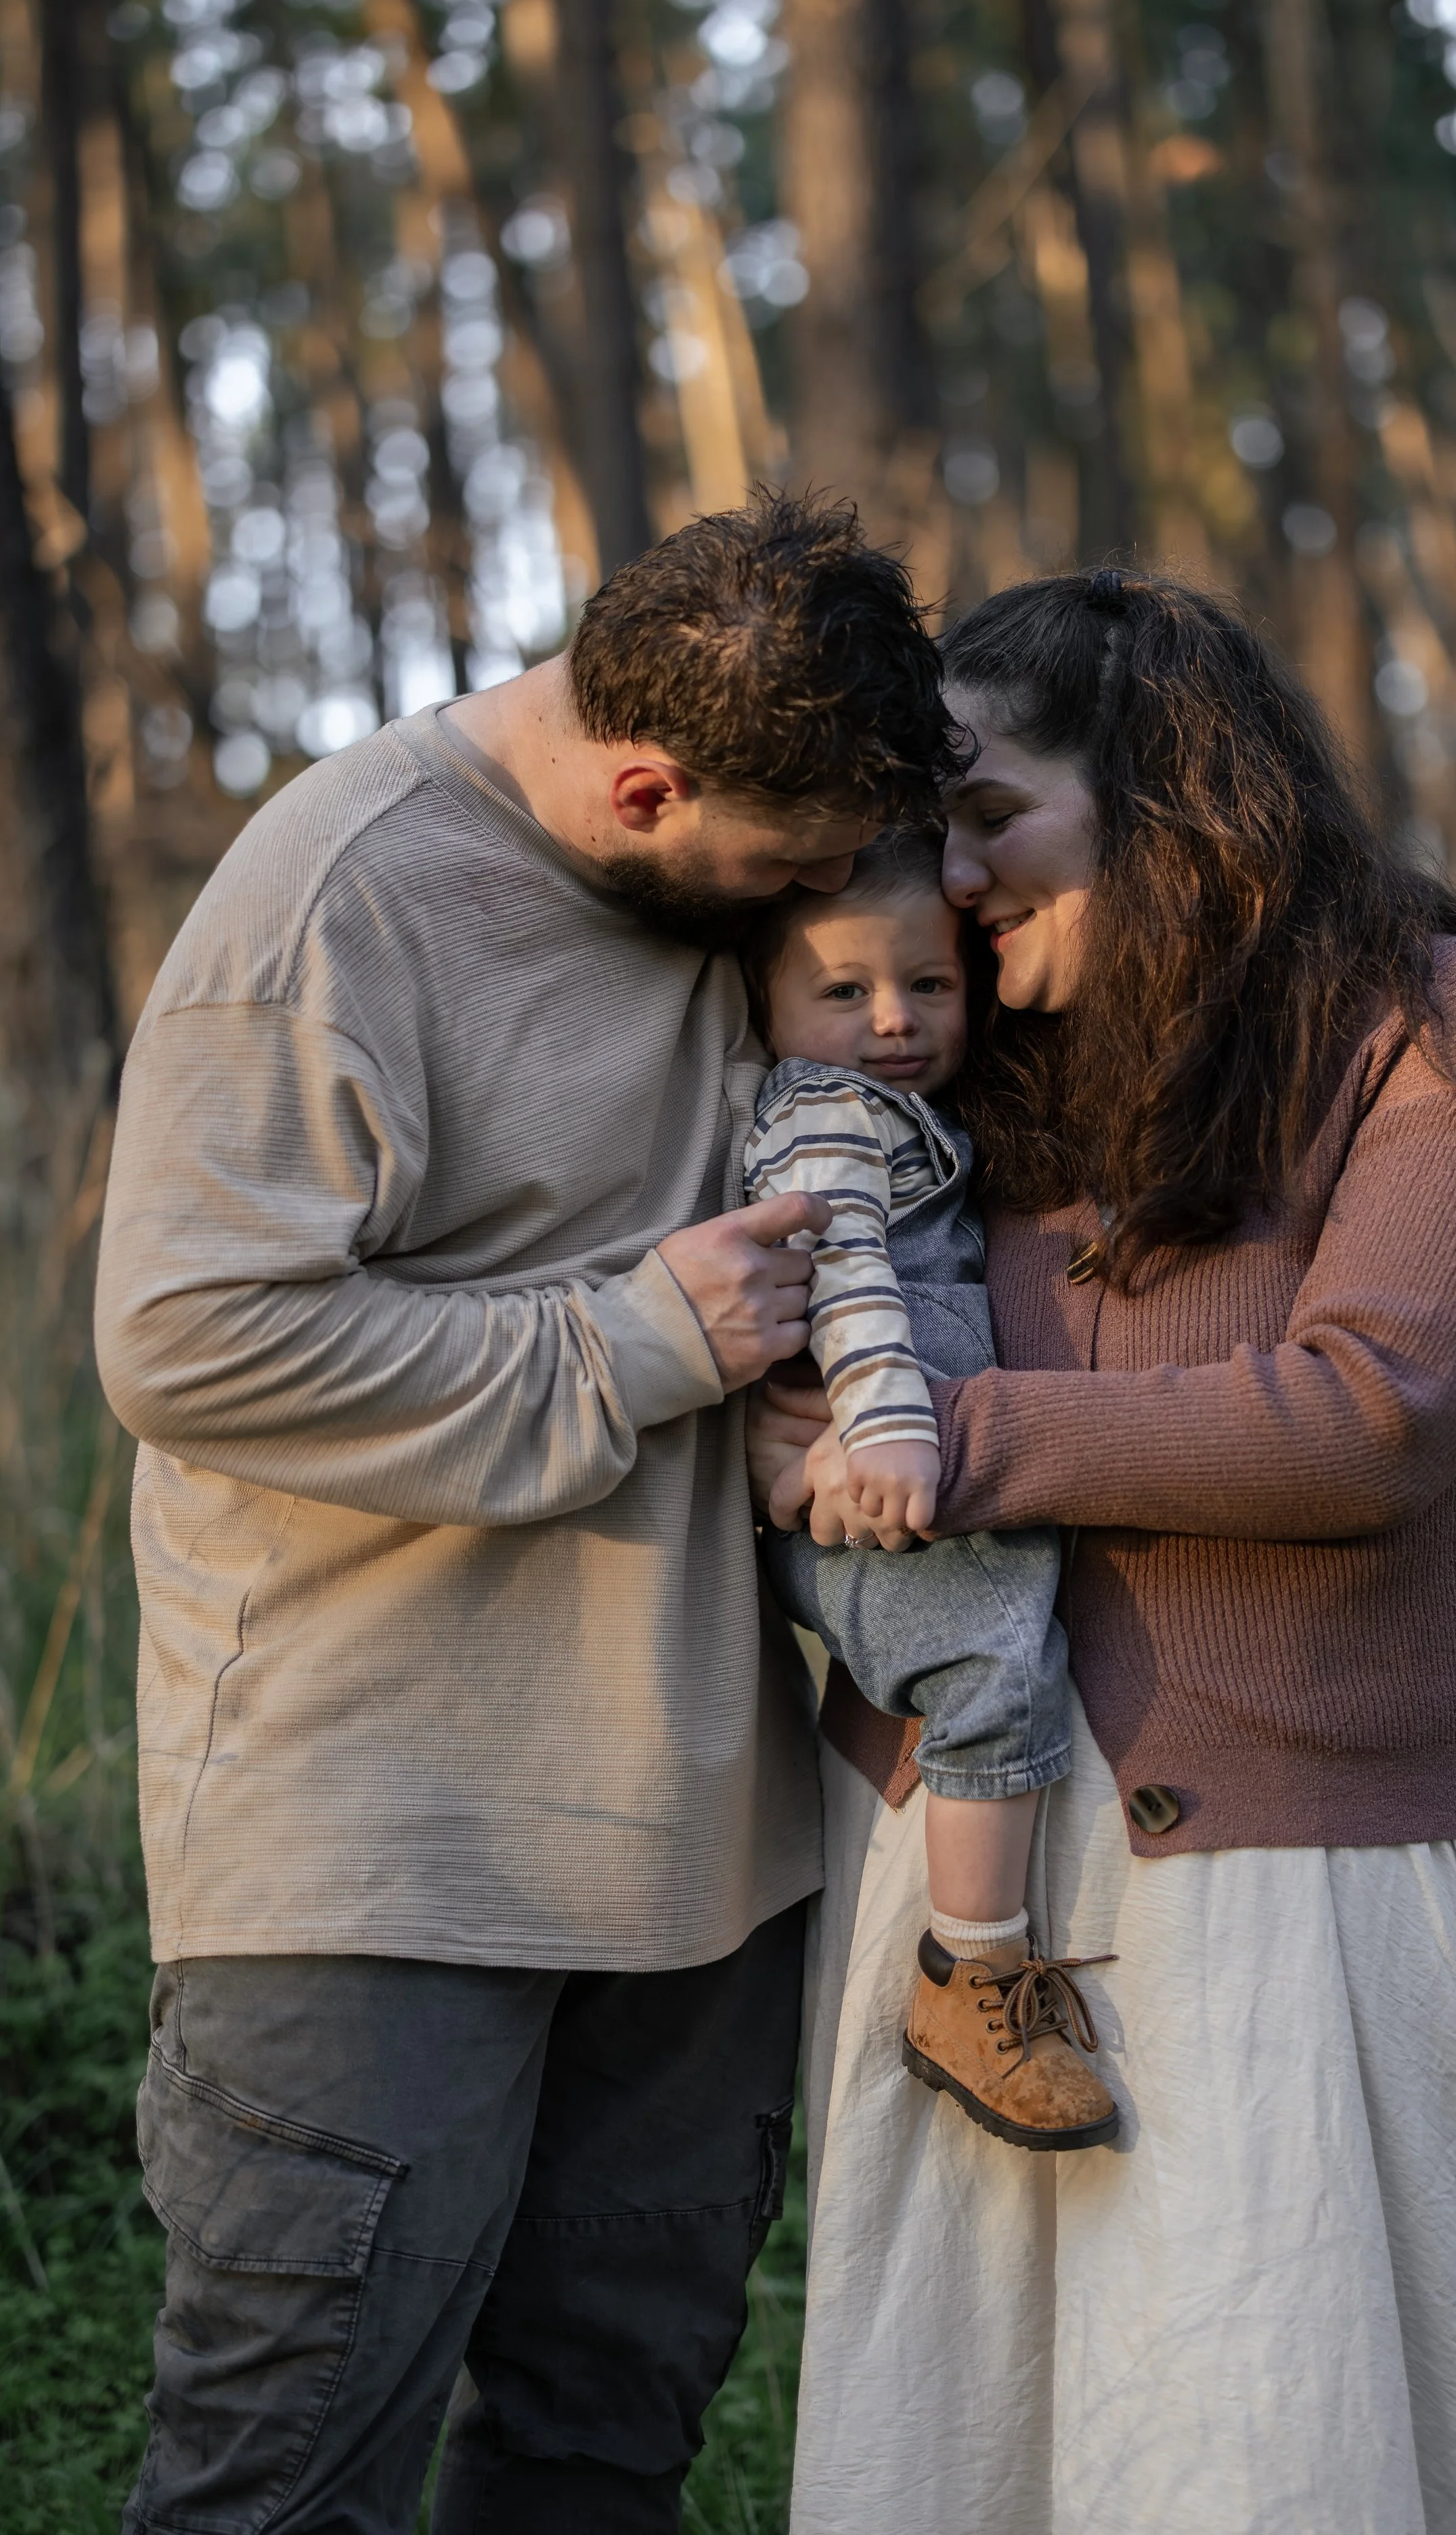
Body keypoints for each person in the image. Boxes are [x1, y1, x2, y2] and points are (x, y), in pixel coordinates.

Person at [93, 491, 954, 2535]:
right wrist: (636, 1342)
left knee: (595, 2465)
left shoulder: (728, 872)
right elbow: (191, 1340)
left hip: (698, 1863)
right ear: (646, 782)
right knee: (284, 2478)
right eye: (796, 869)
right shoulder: (344, 894)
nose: (828, 905)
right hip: (384, 1856)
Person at [752, 569, 1456, 2534]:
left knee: (1262, 2439)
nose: (943, 880)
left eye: (987, 812)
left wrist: (940, 1444)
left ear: (1160, 784)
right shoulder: (965, 1065)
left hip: (1291, 1891)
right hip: (970, 1876)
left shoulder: (1438, 1026)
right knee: (975, 2452)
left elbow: (1369, 1413)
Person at [741, 836, 1116, 2151]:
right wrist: (893, 1431)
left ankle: (977, 1962)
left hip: (892, 1471)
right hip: (882, 1476)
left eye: (926, 987)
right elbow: (844, 1278)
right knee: (987, 1677)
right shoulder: (826, 1118)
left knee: (998, 1655)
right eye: (843, 993)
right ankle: (972, 1974)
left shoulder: (903, 1114)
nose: (892, 1019)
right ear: (771, 1011)